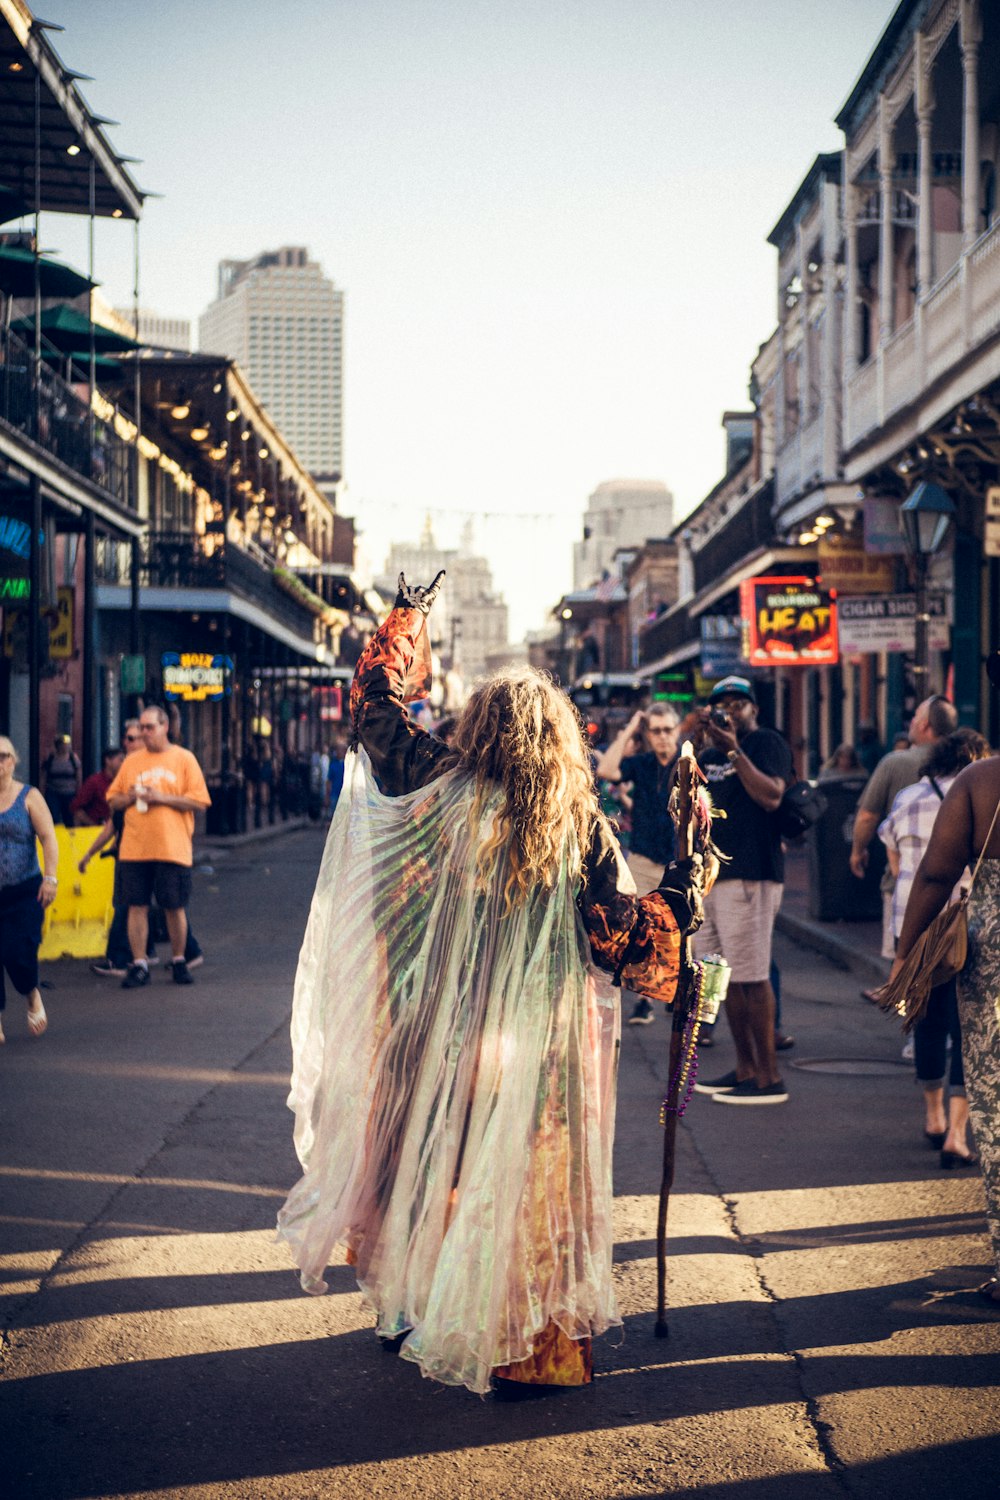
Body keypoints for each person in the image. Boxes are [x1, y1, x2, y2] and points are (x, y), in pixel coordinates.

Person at [277, 573, 706, 1396]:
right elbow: (618, 935)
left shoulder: (434, 780)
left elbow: (373, 707)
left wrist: (408, 620)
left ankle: (407, 1308)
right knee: (517, 1176)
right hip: (532, 1036)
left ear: (478, 726)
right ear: (557, 739)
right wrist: (687, 881)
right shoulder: (576, 820)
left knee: (430, 1157)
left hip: (431, 1018)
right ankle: (518, 1340)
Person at [890, 690, 1000, 1305]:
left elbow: (935, 874)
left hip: (995, 963)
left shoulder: (982, 781)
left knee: (998, 1109)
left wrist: (907, 955)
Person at [879, 728, 989, 1165]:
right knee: (968, 1028)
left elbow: (898, 860)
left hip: (914, 922)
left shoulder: (907, 797)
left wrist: (903, 953)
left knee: (926, 1019)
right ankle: (958, 1135)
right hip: (968, 927)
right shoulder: (981, 792)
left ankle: (933, 1117)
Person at [690, 675, 794, 1105]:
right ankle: (746, 1067)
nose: (729, 711)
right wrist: (695, 745)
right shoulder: (708, 752)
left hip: (751, 874)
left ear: (754, 709)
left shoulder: (765, 743)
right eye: (721, 705)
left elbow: (771, 796)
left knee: (752, 974)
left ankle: (769, 1076)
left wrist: (734, 748)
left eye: (738, 704)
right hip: (712, 876)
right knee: (723, 977)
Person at [850, 696, 959, 998]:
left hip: (907, 881)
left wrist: (858, 850)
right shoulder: (970, 767)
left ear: (924, 725)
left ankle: (914, 1033)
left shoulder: (896, 763)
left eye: (914, 719)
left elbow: (868, 815)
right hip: (960, 887)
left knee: (910, 962)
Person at [106, 705, 211, 990]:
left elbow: (199, 802)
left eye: (149, 727)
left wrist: (162, 797)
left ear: (165, 726)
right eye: (141, 728)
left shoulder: (183, 758)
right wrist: (129, 798)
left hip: (171, 845)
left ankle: (179, 960)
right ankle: (139, 964)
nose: (144, 733)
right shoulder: (132, 762)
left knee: (173, 905)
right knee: (135, 906)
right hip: (135, 847)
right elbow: (112, 800)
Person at [595, 701, 681, 1024]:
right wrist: (630, 729)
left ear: (677, 730)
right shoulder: (643, 763)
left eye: (667, 730)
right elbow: (606, 771)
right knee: (642, 930)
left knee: (681, 933)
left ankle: (678, 995)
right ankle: (645, 1001)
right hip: (644, 859)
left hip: (679, 862)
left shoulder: (687, 764)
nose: (662, 737)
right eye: (655, 731)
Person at [0, 736, 58, 1042]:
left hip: (25, 890)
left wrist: (51, 878)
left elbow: (48, 837)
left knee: (18, 951)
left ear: (14, 761)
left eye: (4, 756)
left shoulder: (28, 796)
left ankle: (31, 992)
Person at [70, 745, 123, 826]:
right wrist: (94, 825)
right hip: (97, 831)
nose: (123, 763)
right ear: (108, 760)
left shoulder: (122, 782)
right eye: (120, 760)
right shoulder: (94, 782)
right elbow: (76, 809)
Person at [40, 733, 81, 825]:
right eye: (63, 745)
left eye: (67, 745)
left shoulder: (73, 758)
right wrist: (42, 791)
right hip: (53, 792)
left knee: (69, 816)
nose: (65, 747)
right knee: (53, 815)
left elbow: (78, 775)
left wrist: (78, 792)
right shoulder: (50, 758)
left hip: (69, 793)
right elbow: (44, 776)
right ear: (58, 746)